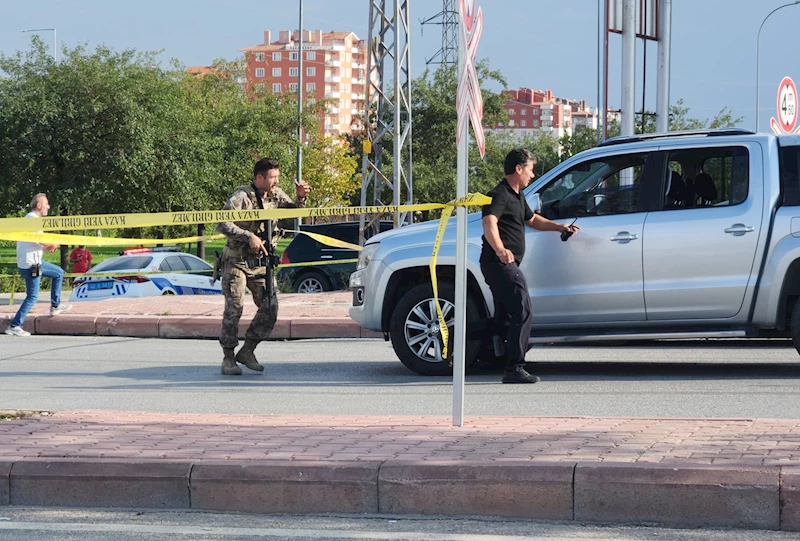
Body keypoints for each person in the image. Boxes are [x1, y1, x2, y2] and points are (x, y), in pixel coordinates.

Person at [481, 149, 580, 384]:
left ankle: (478, 351)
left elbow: (532, 220)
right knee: (523, 310)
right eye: (530, 169)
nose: (532, 175)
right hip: (500, 264)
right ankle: (514, 368)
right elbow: (489, 221)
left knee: (504, 318)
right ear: (518, 169)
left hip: (504, 264)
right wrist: (500, 249)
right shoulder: (499, 194)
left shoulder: (517, 196)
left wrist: (559, 227)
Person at [215, 158, 311, 375]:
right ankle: (228, 358)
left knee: (270, 307)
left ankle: (248, 350)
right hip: (236, 261)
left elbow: (293, 215)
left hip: (260, 264)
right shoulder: (241, 197)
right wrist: (247, 235)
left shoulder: (277, 196)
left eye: (277, 176)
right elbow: (221, 222)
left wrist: (301, 198)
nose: (276, 181)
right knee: (234, 308)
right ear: (259, 178)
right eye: (272, 177)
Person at [4, 193, 72, 337]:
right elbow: (38, 238)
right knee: (32, 297)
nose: (49, 207)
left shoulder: (33, 220)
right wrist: (51, 244)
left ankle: (55, 305)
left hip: (33, 262)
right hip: (31, 264)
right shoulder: (32, 219)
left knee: (58, 273)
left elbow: (34, 241)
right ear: (39, 205)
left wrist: (47, 247)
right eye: (46, 204)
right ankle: (14, 325)